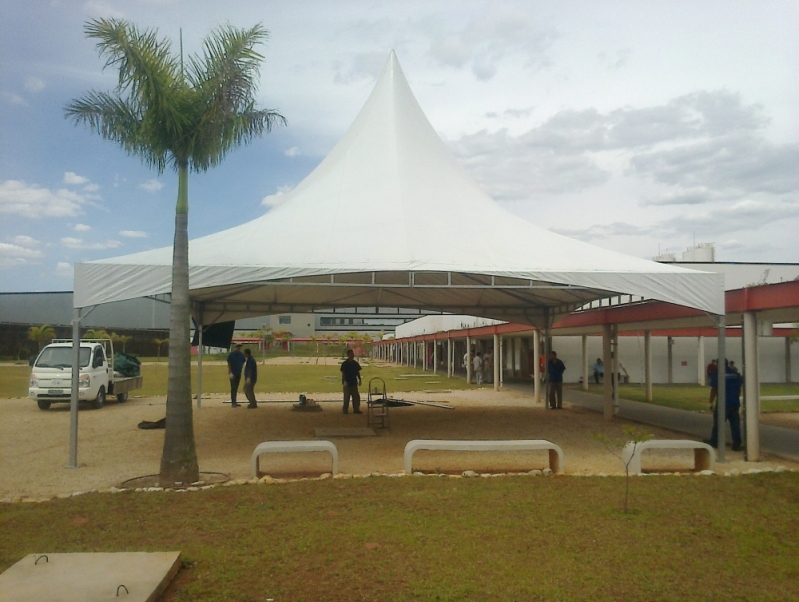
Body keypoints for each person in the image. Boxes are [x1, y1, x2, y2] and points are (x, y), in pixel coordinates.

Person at [705, 362, 743, 451]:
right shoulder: (734, 373)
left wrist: (710, 403)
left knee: (718, 423)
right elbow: (739, 387)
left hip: (723, 404)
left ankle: (715, 441)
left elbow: (714, 389)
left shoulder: (718, 374)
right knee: (735, 425)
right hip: (734, 403)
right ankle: (736, 444)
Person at [340, 348, 362, 414]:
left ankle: (356, 409)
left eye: (353, 354)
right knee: (346, 397)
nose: (352, 355)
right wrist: (343, 381)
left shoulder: (355, 363)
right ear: (348, 355)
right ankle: (345, 410)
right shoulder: (345, 364)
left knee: (356, 397)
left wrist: (360, 379)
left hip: (354, 382)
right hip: (347, 382)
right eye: (351, 354)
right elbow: (343, 373)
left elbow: (357, 372)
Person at [227, 343, 246, 407]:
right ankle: (233, 402)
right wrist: (230, 372)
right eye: (238, 347)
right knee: (233, 388)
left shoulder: (241, 355)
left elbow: (243, 361)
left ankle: (235, 401)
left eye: (240, 347)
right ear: (236, 347)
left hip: (238, 373)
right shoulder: (232, 354)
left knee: (236, 387)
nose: (239, 348)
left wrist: (240, 367)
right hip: (233, 373)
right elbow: (229, 363)